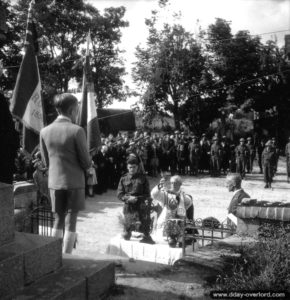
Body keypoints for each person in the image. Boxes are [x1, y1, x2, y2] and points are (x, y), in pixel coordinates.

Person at [40, 93, 91, 253]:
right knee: (71, 221)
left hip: (55, 182)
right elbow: (85, 162)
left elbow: (46, 161)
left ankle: (53, 255)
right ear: (72, 110)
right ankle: (67, 256)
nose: (77, 113)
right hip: (74, 183)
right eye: (76, 109)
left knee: (58, 219)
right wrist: (90, 163)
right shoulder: (77, 131)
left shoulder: (45, 131)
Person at [117, 156, 155, 244]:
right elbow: (119, 194)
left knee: (143, 225)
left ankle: (146, 236)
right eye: (130, 167)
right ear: (127, 167)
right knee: (126, 235)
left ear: (137, 167)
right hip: (128, 206)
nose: (132, 169)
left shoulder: (143, 178)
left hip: (140, 206)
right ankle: (128, 232)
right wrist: (128, 198)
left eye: (134, 167)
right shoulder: (123, 178)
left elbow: (147, 194)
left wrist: (137, 198)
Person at [151, 175, 194, 247]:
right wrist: (159, 186)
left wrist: (179, 195)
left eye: (176, 183)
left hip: (180, 218)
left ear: (180, 184)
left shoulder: (183, 194)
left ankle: (180, 239)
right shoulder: (166, 194)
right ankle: (170, 238)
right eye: (172, 183)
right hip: (167, 218)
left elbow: (189, 202)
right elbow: (154, 195)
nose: (173, 184)